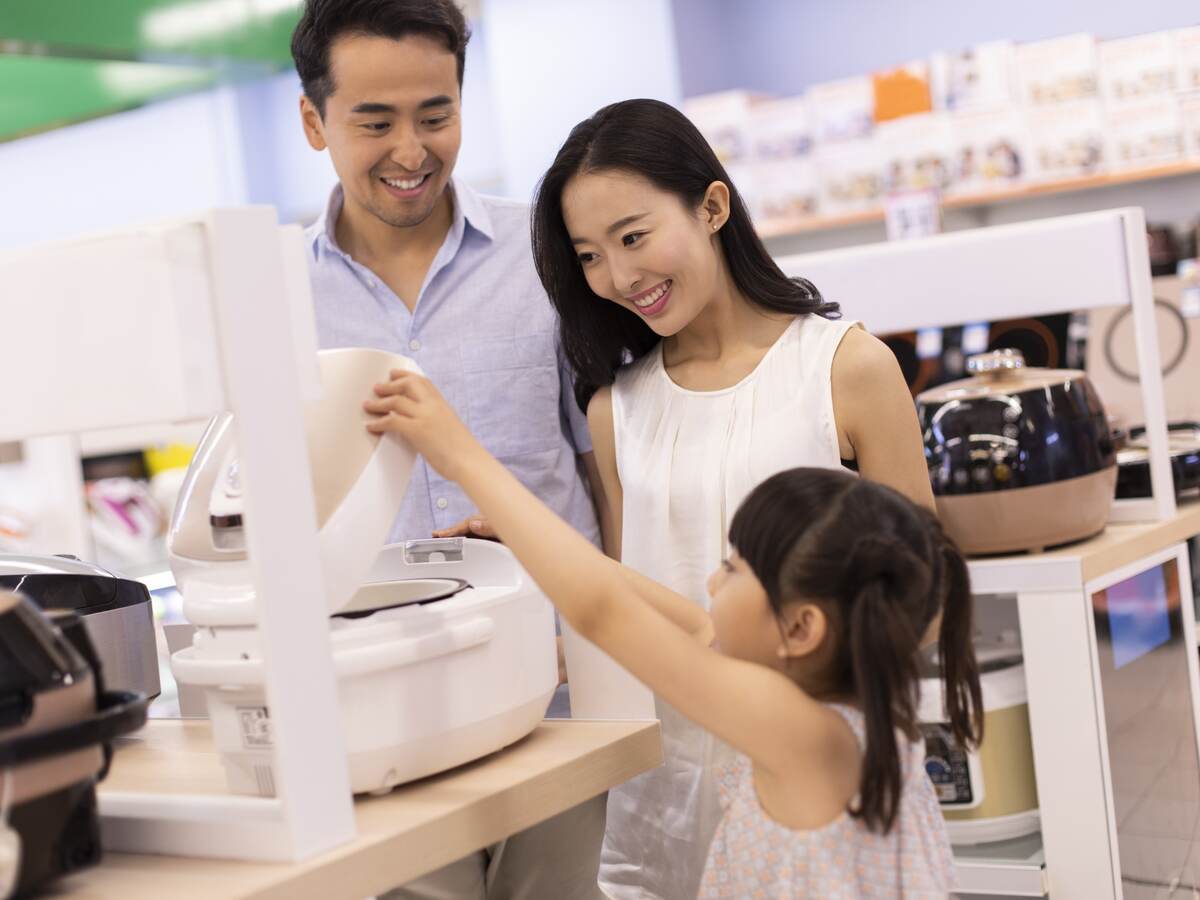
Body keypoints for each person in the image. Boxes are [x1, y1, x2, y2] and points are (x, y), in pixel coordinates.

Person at [362, 371, 984, 898]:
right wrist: (528, 536)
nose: (712, 581)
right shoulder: (854, 714)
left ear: (799, 628)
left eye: (733, 566)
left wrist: (459, 456)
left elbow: (604, 613)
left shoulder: (800, 731)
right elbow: (690, 623)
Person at [528, 98, 936, 899]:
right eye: (589, 256)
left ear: (712, 206)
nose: (619, 276)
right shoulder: (617, 410)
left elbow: (923, 592)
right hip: (662, 790)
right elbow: (626, 602)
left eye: (634, 237)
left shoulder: (845, 370)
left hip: (815, 785)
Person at [289, 1, 608, 897]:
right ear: (314, 122)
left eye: (436, 115)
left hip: (558, 689)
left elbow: (605, 469)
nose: (411, 150)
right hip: (377, 710)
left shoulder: (545, 256)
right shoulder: (273, 300)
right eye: (374, 121)